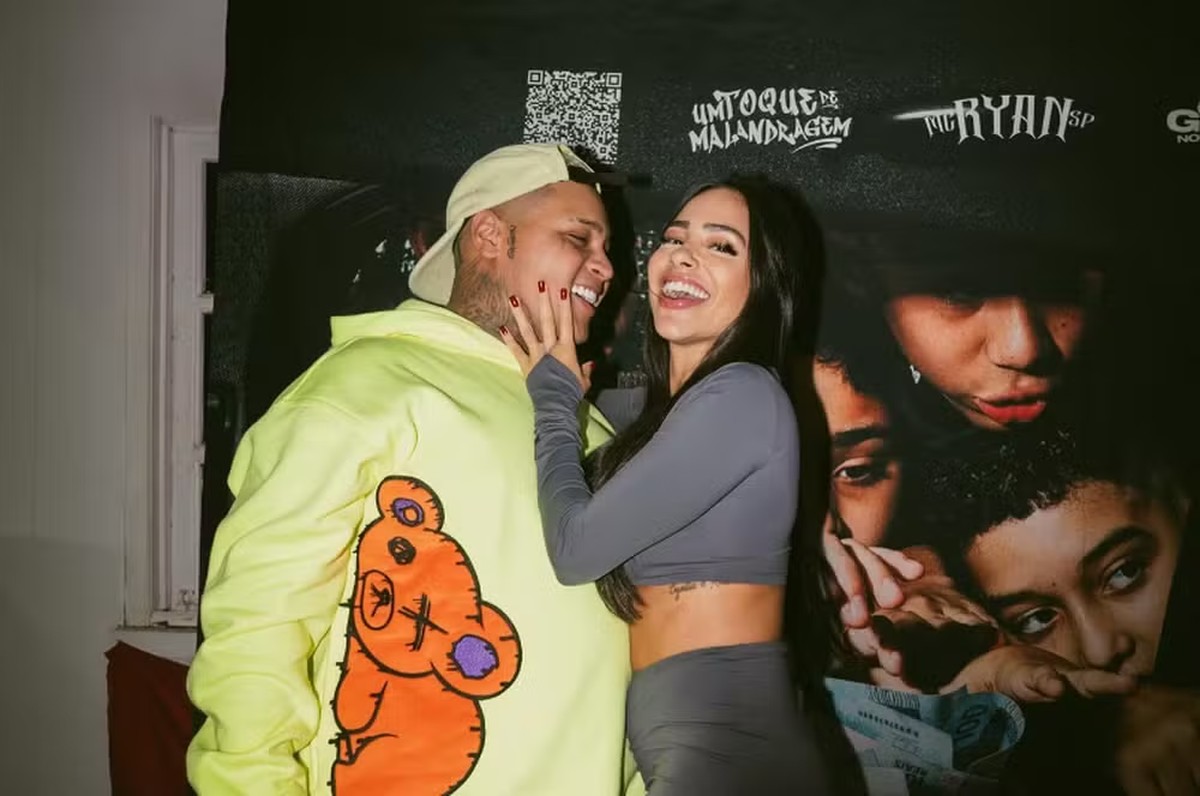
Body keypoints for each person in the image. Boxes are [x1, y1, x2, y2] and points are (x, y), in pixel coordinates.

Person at [186, 142, 645, 795]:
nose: (607, 266)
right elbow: (258, 624)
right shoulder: (364, 384)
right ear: (490, 235)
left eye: (607, 248)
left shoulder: (588, 428)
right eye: (579, 238)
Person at [500, 175, 834, 794]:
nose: (682, 255)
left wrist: (554, 400)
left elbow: (575, 551)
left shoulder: (743, 396)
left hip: (734, 757)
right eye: (675, 238)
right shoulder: (665, 416)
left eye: (721, 246)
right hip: (698, 750)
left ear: (763, 285)